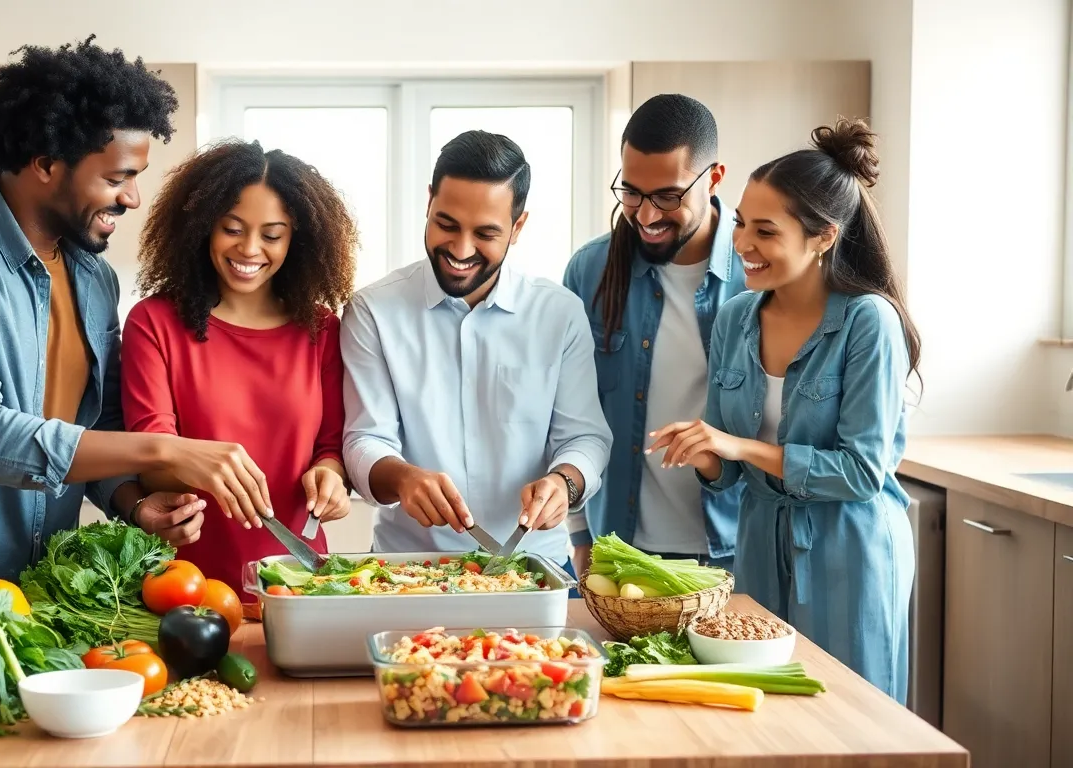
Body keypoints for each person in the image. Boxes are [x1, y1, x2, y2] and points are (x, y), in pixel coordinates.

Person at [0, 38, 272, 602]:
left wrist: (132, 503)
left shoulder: (92, 278)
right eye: (116, 179)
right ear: (45, 164)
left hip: (27, 595)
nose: (133, 198)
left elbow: (93, 428)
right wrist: (167, 450)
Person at [646, 118, 921, 703]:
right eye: (742, 223)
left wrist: (736, 446)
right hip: (760, 541)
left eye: (765, 231)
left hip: (851, 548)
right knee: (766, 711)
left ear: (823, 237)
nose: (741, 243)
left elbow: (861, 473)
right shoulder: (735, 317)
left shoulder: (869, 322)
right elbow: (730, 477)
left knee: (853, 717)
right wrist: (705, 455)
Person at [341, 130, 612, 578]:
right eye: (446, 224)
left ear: (518, 227)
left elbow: (585, 437)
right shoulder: (374, 310)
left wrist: (564, 481)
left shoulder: (559, 313)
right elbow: (364, 438)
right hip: (407, 569)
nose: (461, 250)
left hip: (537, 565)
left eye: (485, 233)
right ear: (428, 203)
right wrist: (404, 477)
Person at [120, 138, 360, 602]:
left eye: (272, 235)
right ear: (203, 226)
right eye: (232, 228)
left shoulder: (321, 330)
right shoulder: (154, 324)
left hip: (299, 582)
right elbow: (151, 459)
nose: (250, 249)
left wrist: (332, 477)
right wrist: (205, 468)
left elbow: (330, 447)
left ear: (298, 239)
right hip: (185, 584)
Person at [562, 94, 745, 577]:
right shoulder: (590, 270)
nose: (645, 215)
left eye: (668, 196)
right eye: (631, 192)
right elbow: (568, 410)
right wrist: (578, 534)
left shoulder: (758, 273)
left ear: (715, 178)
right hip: (618, 549)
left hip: (737, 549)